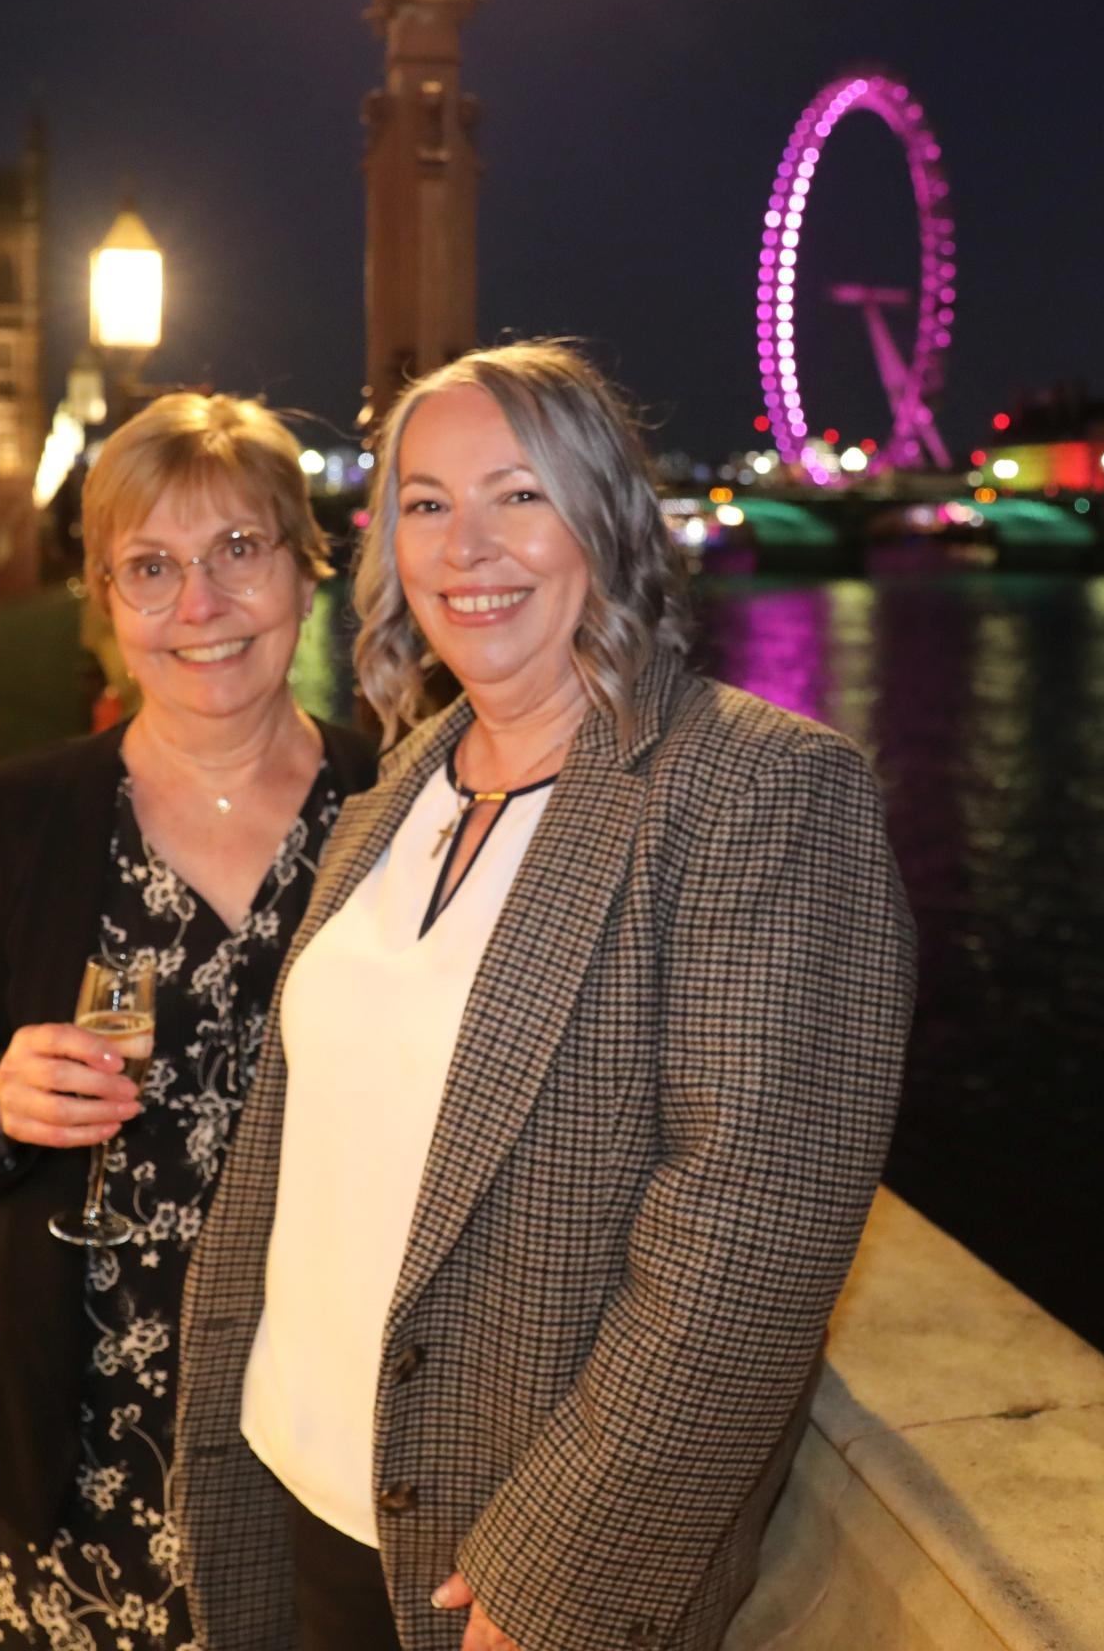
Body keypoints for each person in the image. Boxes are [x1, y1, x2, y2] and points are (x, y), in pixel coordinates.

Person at [174, 342, 918, 1651]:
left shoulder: (757, 791)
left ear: (608, 519)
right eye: (426, 503)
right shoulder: (400, 789)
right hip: (290, 1485)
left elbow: (751, 1231)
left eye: (519, 494)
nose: (467, 547)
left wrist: (561, 1577)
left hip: (488, 1565)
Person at [0, 391, 380, 1649]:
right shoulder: (30, 811)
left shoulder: (396, 802)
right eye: (151, 567)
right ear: (105, 603)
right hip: (63, 1428)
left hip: (313, 1430)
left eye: (239, 550)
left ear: (307, 570)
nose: (199, 604)